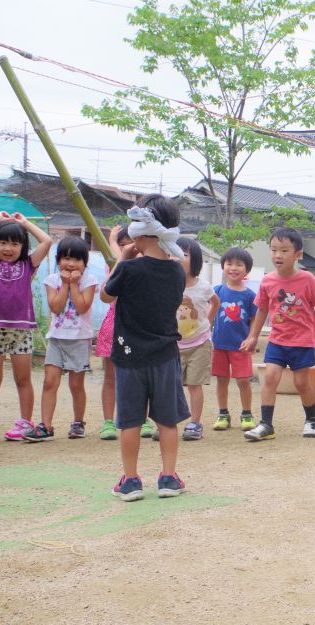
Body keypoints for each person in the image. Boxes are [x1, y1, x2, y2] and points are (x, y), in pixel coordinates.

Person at [101, 195, 188, 501]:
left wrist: (122, 259)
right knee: (167, 420)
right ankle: (167, 477)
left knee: (129, 421)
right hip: (164, 356)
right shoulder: (178, 272)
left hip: (129, 358)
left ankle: (130, 480)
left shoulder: (128, 270)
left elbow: (105, 296)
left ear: (139, 231)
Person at [240, 228, 315, 441]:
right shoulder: (267, 281)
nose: (278, 255)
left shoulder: (307, 279)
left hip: (302, 341)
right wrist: (253, 336)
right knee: (270, 378)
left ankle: (311, 419)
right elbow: (262, 310)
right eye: (274, 250)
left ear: (298, 255)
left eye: (284, 250)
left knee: (302, 383)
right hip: (278, 340)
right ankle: (266, 425)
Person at [0, 212, 52, 442]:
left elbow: (46, 241)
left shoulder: (29, 265)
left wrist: (25, 223)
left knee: (23, 379)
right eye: (2, 242)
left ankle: (25, 423)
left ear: (23, 246)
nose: (8, 248)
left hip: (21, 332)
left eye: (15, 243)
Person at [24, 236, 98, 442]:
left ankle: (78, 422)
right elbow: (55, 307)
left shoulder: (90, 280)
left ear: (85, 262)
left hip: (79, 339)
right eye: (66, 258)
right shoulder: (52, 280)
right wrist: (65, 284)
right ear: (58, 260)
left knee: (76, 385)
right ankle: (46, 426)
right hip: (56, 338)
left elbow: (83, 307)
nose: (71, 263)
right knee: (49, 382)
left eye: (76, 259)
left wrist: (74, 284)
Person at [169, 238, 220, 441]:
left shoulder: (203, 287)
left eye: (185, 254)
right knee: (171, 385)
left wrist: (206, 323)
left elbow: (215, 303)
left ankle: (195, 423)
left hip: (200, 344)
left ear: (196, 261)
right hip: (173, 345)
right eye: (175, 252)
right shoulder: (167, 285)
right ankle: (167, 422)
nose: (179, 257)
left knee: (194, 385)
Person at [95, 226, 142, 441]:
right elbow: (117, 257)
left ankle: (142, 419)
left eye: (133, 244)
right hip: (115, 326)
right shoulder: (116, 269)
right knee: (111, 377)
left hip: (139, 329)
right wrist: (113, 240)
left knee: (141, 378)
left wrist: (116, 240)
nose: (129, 249)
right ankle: (108, 421)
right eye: (123, 246)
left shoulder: (146, 269)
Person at [211, 247, 257, 432]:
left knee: (243, 381)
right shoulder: (217, 291)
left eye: (239, 264)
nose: (233, 268)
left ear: (247, 270)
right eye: (229, 263)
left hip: (241, 346)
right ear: (223, 266)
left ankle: (247, 414)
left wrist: (251, 338)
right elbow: (208, 313)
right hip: (219, 345)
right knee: (222, 380)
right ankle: (223, 414)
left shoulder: (250, 296)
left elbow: (255, 319)